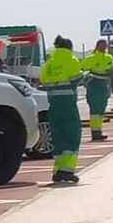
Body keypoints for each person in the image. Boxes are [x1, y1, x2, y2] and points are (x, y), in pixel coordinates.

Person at [39, 36, 84, 183]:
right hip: (68, 104)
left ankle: (57, 171)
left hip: (53, 105)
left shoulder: (49, 63)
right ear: (69, 47)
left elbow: (43, 80)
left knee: (58, 138)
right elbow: (76, 79)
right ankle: (66, 171)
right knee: (72, 137)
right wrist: (85, 77)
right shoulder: (72, 60)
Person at [82, 39, 113, 141]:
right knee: (95, 109)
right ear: (97, 46)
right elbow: (83, 68)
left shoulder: (109, 57)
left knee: (102, 108)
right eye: (102, 45)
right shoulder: (90, 58)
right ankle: (95, 133)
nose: (104, 47)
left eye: (105, 45)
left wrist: (110, 72)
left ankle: (99, 130)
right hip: (94, 85)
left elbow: (112, 70)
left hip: (104, 85)